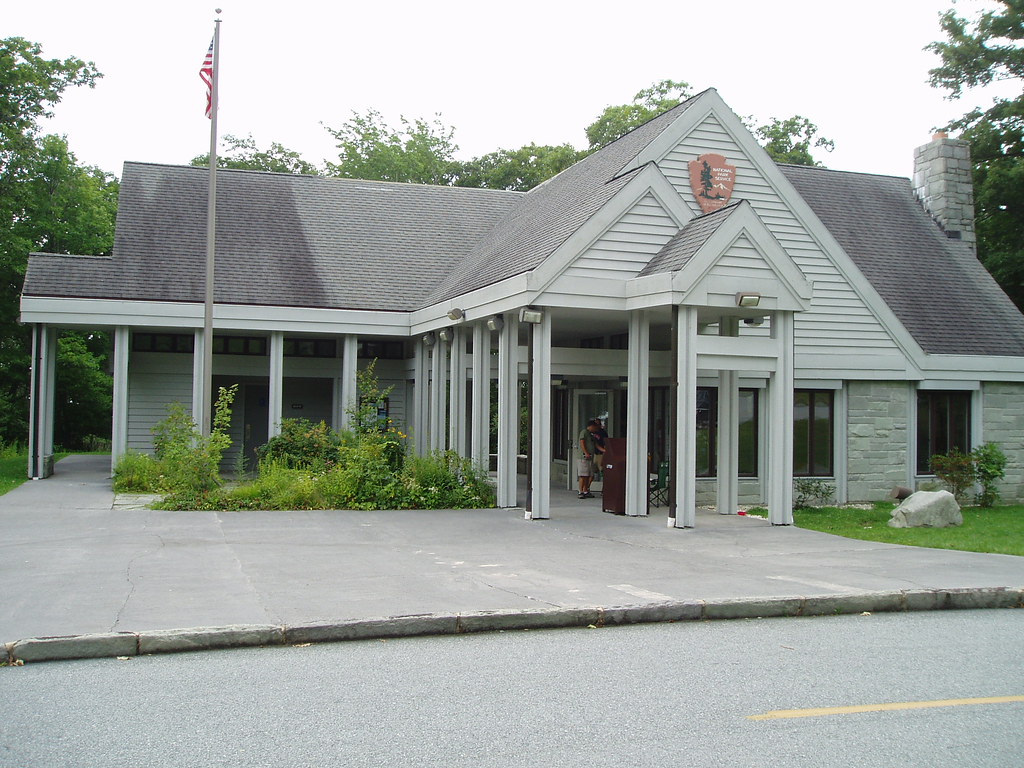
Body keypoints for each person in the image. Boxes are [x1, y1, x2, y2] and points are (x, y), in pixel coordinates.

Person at [577, 419, 604, 499]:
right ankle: (580, 491)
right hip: (584, 457)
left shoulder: (592, 435)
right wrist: (586, 452)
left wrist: (605, 450)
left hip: (591, 458)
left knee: (589, 474)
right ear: (591, 426)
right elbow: (582, 442)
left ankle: (586, 490)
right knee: (583, 475)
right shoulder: (584, 432)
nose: (597, 429)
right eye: (595, 427)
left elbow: (596, 445)